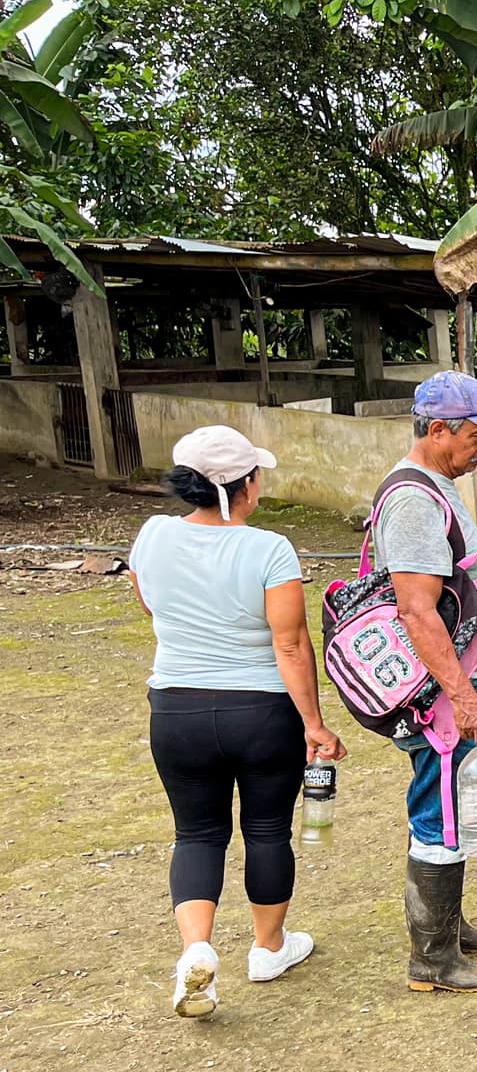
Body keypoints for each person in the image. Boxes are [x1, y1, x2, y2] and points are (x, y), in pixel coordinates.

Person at [129, 426, 348, 1019]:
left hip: (176, 708)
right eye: (256, 475)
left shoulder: (152, 536)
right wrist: (314, 723)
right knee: (267, 830)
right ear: (241, 485)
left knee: (196, 833)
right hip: (261, 711)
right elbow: (290, 643)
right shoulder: (269, 549)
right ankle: (268, 949)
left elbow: (150, 603)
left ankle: (196, 949)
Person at [375, 371, 477, 994]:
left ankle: (449, 927)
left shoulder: (434, 485)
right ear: (438, 430)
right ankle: (433, 958)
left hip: (454, 685)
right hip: (443, 695)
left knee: (450, 807)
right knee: (439, 812)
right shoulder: (414, 500)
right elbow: (417, 610)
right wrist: (463, 696)